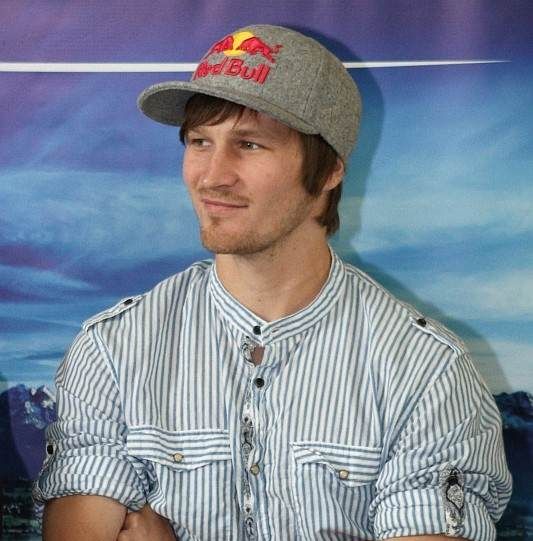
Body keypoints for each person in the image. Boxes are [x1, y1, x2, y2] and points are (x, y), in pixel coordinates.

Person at [34, 24, 511, 540]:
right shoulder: (113, 348)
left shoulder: (426, 370)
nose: (212, 176)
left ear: (328, 171)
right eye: (200, 141)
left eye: (250, 144)